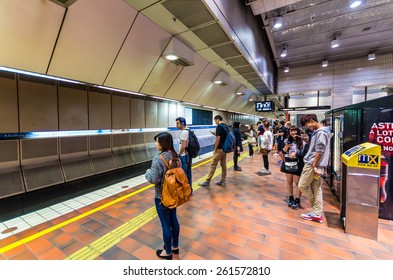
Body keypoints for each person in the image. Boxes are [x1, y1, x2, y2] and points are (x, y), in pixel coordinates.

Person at [145, 132, 180, 260]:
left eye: (157, 142)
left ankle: (168, 252)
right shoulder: (175, 156)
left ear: (163, 143)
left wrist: (147, 172)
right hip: (174, 194)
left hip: (161, 196)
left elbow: (153, 179)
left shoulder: (158, 159)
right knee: (173, 220)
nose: (156, 144)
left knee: (165, 223)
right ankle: (175, 246)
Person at [298, 114, 332, 222]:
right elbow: (317, 148)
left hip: (312, 164)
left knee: (302, 185)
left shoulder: (321, 133)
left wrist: (314, 166)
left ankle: (315, 208)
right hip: (318, 164)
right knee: (316, 189)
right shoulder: (321, 132)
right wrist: (308, 141)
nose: (307, 126)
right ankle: (317, 213)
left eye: (307, 124)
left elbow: (320, 151)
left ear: (312, 121)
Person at [280, 125, 309, 210]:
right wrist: (287, 145)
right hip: (288, 162)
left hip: (299, 163)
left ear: (298, 131)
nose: (293, 132)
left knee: (297, 183)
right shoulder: (287, 140)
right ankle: (290, 197)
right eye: (291, 131)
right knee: (289, 181)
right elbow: (283, 152)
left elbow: (305, 153)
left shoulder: (302, 142)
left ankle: (297, 199)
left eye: (295, 131)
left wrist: (296, 154)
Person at [199, 115, 228, 187]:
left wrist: (215, 149)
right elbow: (223, 136)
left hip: (219, 149)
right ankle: (223, 181)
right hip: (224, 149)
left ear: (218, 119)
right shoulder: (225, 126)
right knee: (223, 165)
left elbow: (218, 138)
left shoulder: (219, 126)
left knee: (213, 165)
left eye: (215, 121)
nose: (215, 122)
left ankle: (207, 181)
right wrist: (215, 134)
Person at [175, 117, 192, 194]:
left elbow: (183, 145)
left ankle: (186, 191)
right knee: (188, 173)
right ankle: (189, 189)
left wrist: (179, 153)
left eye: (178, 123)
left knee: (184, 174)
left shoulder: (184, 132)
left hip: (184, 156)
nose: (176, 125)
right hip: (188, 155)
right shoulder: (188, 130)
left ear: (182, 123)